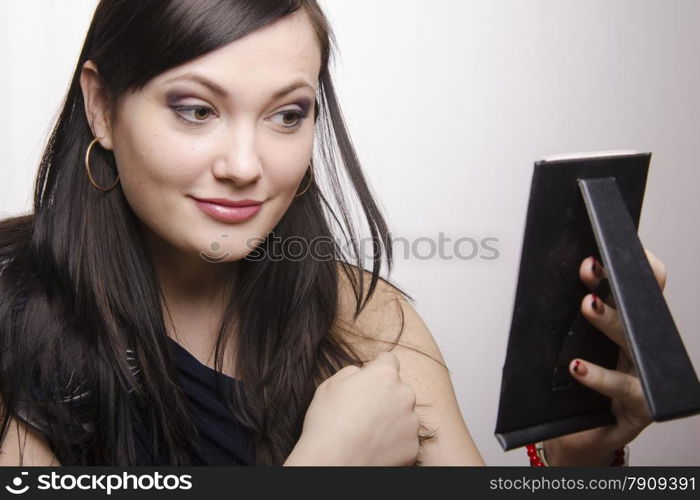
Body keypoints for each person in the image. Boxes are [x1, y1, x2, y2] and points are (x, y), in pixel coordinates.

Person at [0, 0, 664, 466]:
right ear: (101, 107)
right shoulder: (17, 320)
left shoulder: (369, 319)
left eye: (286, 116)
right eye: (196, 110)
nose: (244, 166)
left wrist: (581, 458)